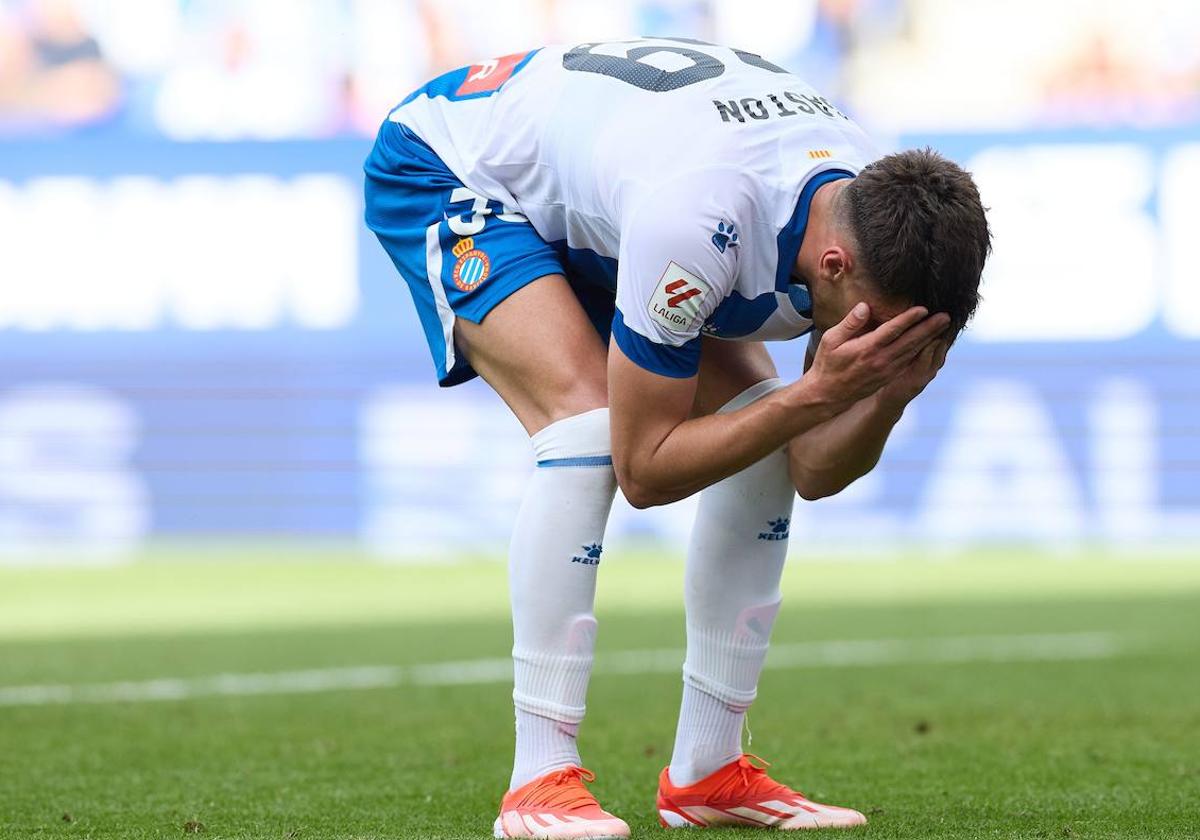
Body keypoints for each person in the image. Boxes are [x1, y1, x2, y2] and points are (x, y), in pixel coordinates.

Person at [364, 37, 990, 837]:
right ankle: (538, 781)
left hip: (620, 180)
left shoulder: (868, 210)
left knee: (764, 418)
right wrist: (814, 394)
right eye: (880, 328)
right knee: (590, 431)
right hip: (458, 164)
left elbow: (809, 466)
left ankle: (708, 770)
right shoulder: (703, 220)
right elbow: (644, 471)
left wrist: (890, 393)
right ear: (833, 265)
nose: (880, 341)